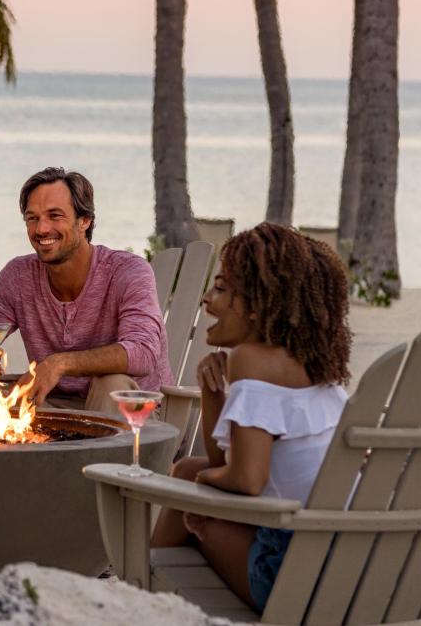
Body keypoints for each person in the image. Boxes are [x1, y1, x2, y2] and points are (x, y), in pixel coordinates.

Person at [151, 223, 352, 613]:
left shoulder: (251, 360)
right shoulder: (317, 365)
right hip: (346, 561)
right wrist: (213, 392)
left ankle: (134, 597)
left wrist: (196, 485)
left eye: (222, 288)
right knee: (192, 469)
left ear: (260, 303)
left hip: (293, 576)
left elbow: (245, 479)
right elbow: (226, 461)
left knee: (188, 476)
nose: (207, 299)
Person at [0, 167, 173, 413]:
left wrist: (60, 363)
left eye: (55, 216)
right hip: (56, 408)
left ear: (84, 221)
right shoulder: (19, 277)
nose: (41, 229)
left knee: (111, 383)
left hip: (138, 416)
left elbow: (143, 352)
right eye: (32, 218)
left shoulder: (127, 272)